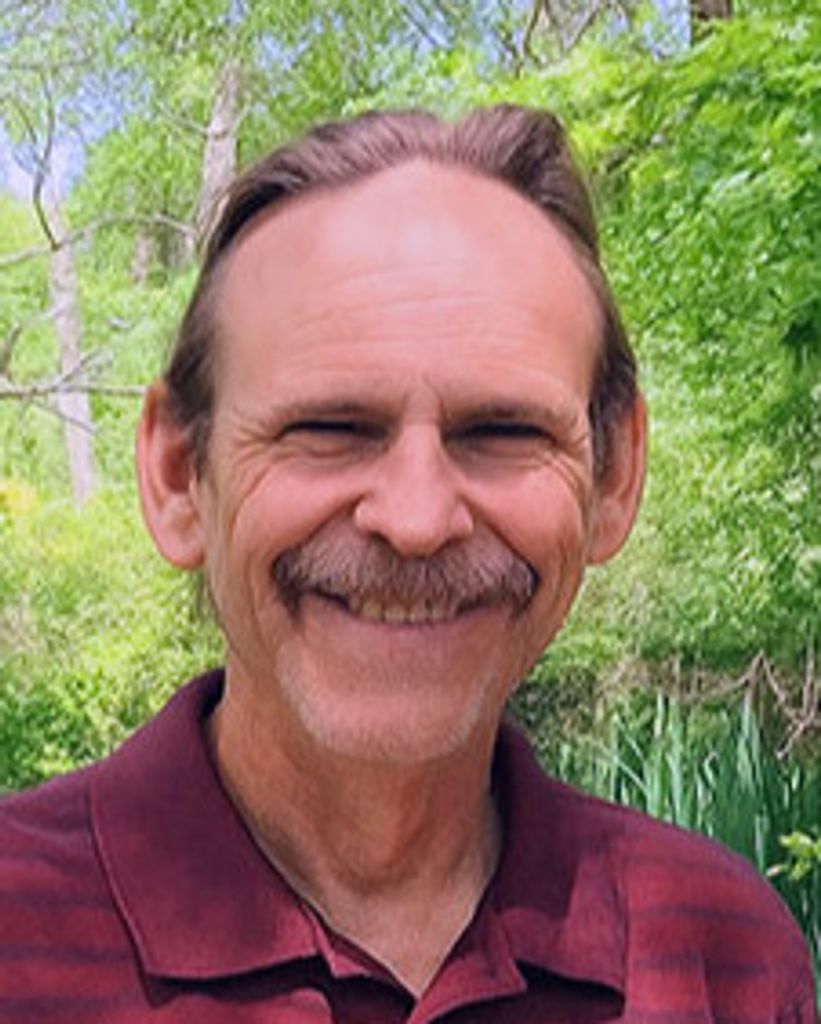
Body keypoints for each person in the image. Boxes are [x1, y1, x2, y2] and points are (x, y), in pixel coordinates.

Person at [0, 106, 816, 1023]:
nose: (418, 520)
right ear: (177, 477)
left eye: (502, 431)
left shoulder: (719, 957)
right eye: (329, 428)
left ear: (613, 476)